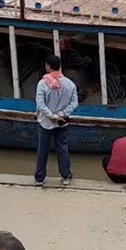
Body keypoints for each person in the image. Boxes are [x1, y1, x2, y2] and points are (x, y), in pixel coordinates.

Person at [34, 54, 78, 187]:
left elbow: (40, 105)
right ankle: (66, 176)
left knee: (43, 150)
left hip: (46, 122)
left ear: (48, 66)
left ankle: (40, 179)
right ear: (59, 66)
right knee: (62, 148)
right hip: (62, 122)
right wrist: (61, 114)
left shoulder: (42, 83)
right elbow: (74, 103)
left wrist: (52, 115)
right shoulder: (70, 84)